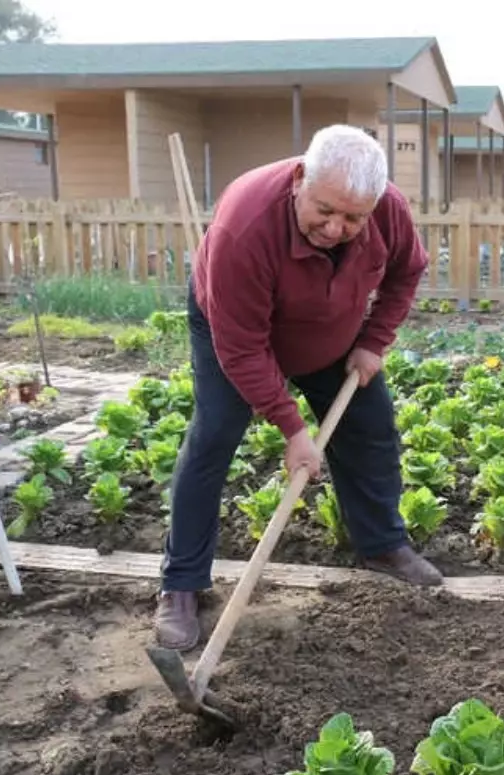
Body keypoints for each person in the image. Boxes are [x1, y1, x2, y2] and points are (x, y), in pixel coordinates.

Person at [153, 124, 442, 652]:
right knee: (214, 435)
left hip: (330, 323)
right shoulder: (245, 225)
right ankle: (182, 584)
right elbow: (242, 348)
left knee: (371, 425)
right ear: (300, 179)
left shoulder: (388, 211)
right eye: (325, 211)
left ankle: (381, 545)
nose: (336, 229)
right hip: (235, 325)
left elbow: (407, 272)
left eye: (353, 218)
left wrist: (374, 340)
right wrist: (292, 429)